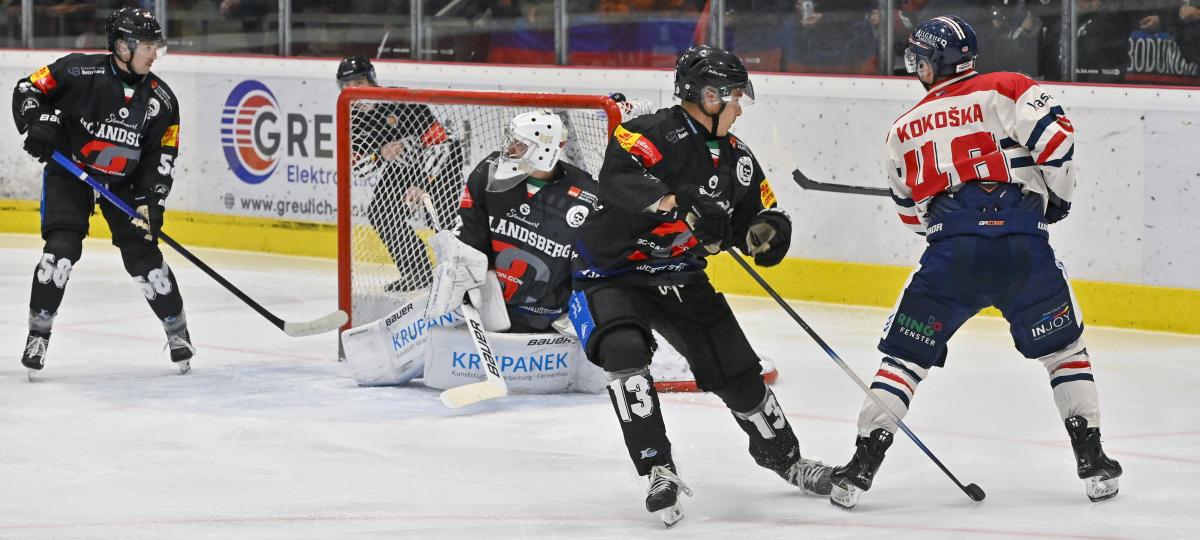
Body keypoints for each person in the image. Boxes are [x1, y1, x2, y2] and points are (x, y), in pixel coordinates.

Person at [829, 15, 1122, 510]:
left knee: (904, 362)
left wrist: (955, 232)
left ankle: (859, 469)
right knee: (1065, 351)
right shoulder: (1010, 87)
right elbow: (1058, 144)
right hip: (1023, 247)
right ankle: (1093, 462)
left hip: (951, 255)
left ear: (929, 62)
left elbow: (912, 216)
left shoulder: (901, 129)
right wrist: (1056, 200)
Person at [567, 45, 832, 527]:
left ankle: (786, 458)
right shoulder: (647, 132)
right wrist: (678, 201)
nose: (738, 108)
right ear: (708, 97)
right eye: (733, 98)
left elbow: (758, 214)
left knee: (737, 370)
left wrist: (766, 233)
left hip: (681, 275)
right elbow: (618, 182)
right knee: (624, 348)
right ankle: (657, 469)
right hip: (611, 273)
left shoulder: (738, 158)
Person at [11, 6, 194, 375]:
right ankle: (38, 334)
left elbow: (163, 155)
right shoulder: (78, 70)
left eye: (154, 45)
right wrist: (37, 122)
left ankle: (177, 330)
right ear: (122, 46)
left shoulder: (163, 101)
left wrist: (153, 200)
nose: (153, 53)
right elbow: (27, 88)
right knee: (58, 255)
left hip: (123, 183)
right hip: (71, 170)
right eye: (146, 45)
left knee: (145, 260)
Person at [422, 109, 603, 333]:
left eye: (520, 145)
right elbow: (470, 231)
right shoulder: (489, 172)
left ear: (545, 150)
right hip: (488, 306)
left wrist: (577, 306)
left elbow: (592, 261)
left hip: (548, 316)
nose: (509, 149)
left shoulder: (587, 195)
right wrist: (459, 262)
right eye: (512, 141)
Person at [339, 55, 467, 294]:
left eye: (357, 82)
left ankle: (461, 274)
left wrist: (423, 184)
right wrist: (380, 156)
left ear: (371, 79)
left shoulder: (401, 101)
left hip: (441, 160)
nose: (351, 90)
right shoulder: (353, 117)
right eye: (345, 85)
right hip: (403, 164)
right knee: (381, 212)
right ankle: (418, 272)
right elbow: (357, 165)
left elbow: (440, 144)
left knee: (440, 215)